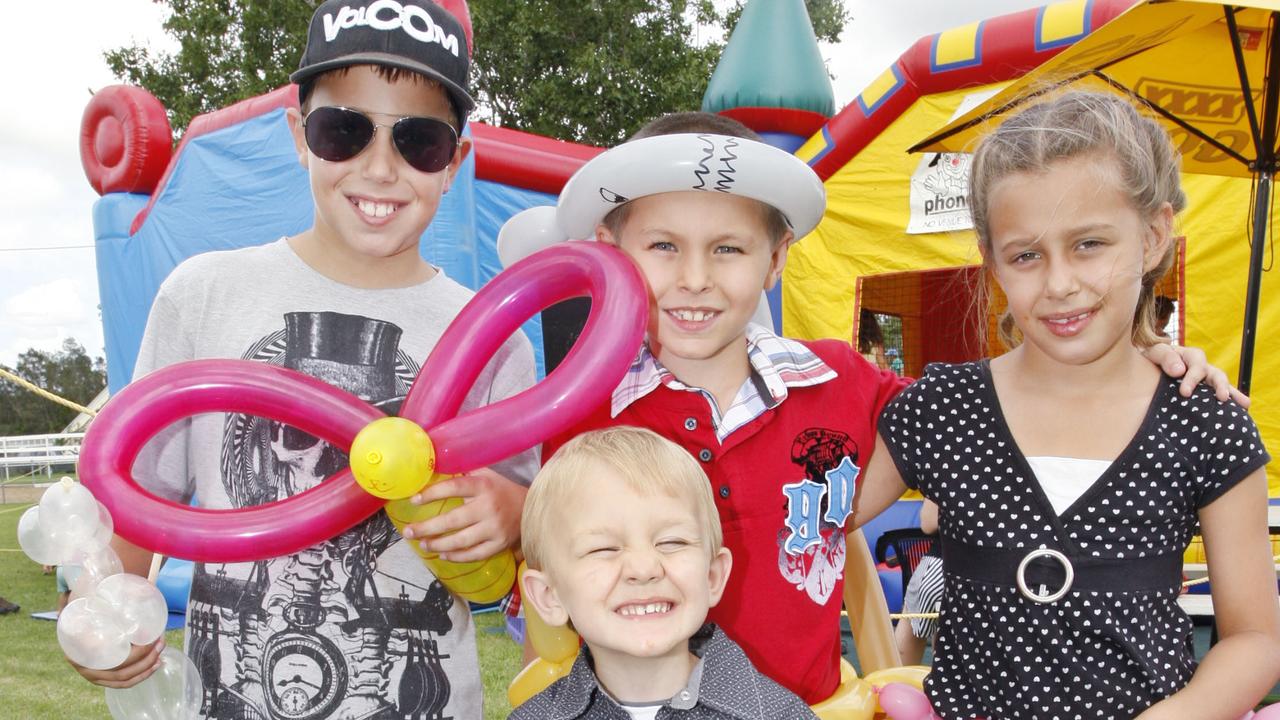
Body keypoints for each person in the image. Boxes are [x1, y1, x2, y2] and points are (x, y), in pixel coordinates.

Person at [537, 111, 1237, 706]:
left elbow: (1017, 411)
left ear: (776, 259)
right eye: (663, 246)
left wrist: (1151, 349)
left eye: (727, 249)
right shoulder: (572, 411)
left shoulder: (845, 386)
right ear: (612, 251)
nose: (694, 278)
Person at [68, 2, 537, 718]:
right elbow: (133, 499)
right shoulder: (204, 294)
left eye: (420, 142)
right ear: (300, 136)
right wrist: (101, 607)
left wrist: (514, 510)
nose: (380, 168)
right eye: (344, 130)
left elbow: (533, 538)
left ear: (456, 164)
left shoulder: (488, 336)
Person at [853, 92, 1280, 719]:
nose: (1059, 284)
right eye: (1026, 255)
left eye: (1089, 244)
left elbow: (1256, 639)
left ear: (1155, 235)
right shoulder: (941, 409)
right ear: (991, 260)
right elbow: (800, 524)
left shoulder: (1205, 421)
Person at [513, 426, 817, 719]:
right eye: (603, 549)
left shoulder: (780, 714)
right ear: (549, 597)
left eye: (672, 542)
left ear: (712, 576)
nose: (644, 569)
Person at [892, 499, 942, 665]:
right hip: (1009, 571)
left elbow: (928, 522)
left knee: (898, 674)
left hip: (941, 567)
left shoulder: (950, 472)